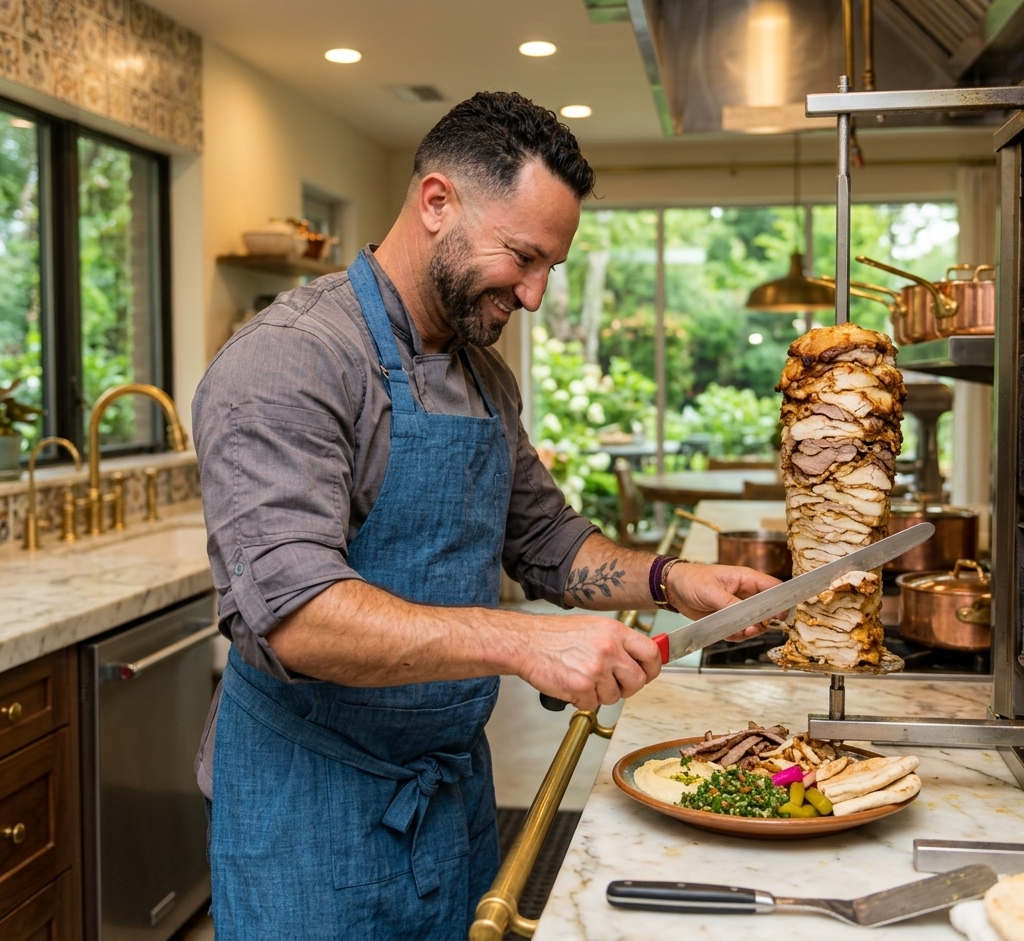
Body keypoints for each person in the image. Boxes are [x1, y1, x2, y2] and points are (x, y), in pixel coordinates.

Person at [193, 91, 778, 940]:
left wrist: (671, 578)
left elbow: (545, 538)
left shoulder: (482, 377)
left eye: (553, 268)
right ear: (437, 203)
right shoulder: (294, 361)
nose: (535, 295)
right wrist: (525, 641)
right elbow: (294, 618)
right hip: (309, 810)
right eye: (523, 256)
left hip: (449, 799)